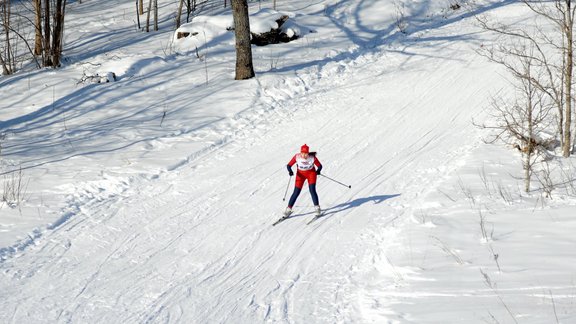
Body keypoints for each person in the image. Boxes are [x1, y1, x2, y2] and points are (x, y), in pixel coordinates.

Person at [284, 144, 323, 217]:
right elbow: (289, 165)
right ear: (300, 152)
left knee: (312, 190)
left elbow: (320, 166)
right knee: (296, 192)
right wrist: (290, 171)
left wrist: (318, 171)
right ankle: (288, 209)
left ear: (308, 153)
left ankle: (317, 208)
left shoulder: (312, 158)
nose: (304, 155)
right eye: (303, 153)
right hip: (300, 175)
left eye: (306, 153)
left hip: (311, 174)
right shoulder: (297, 157)